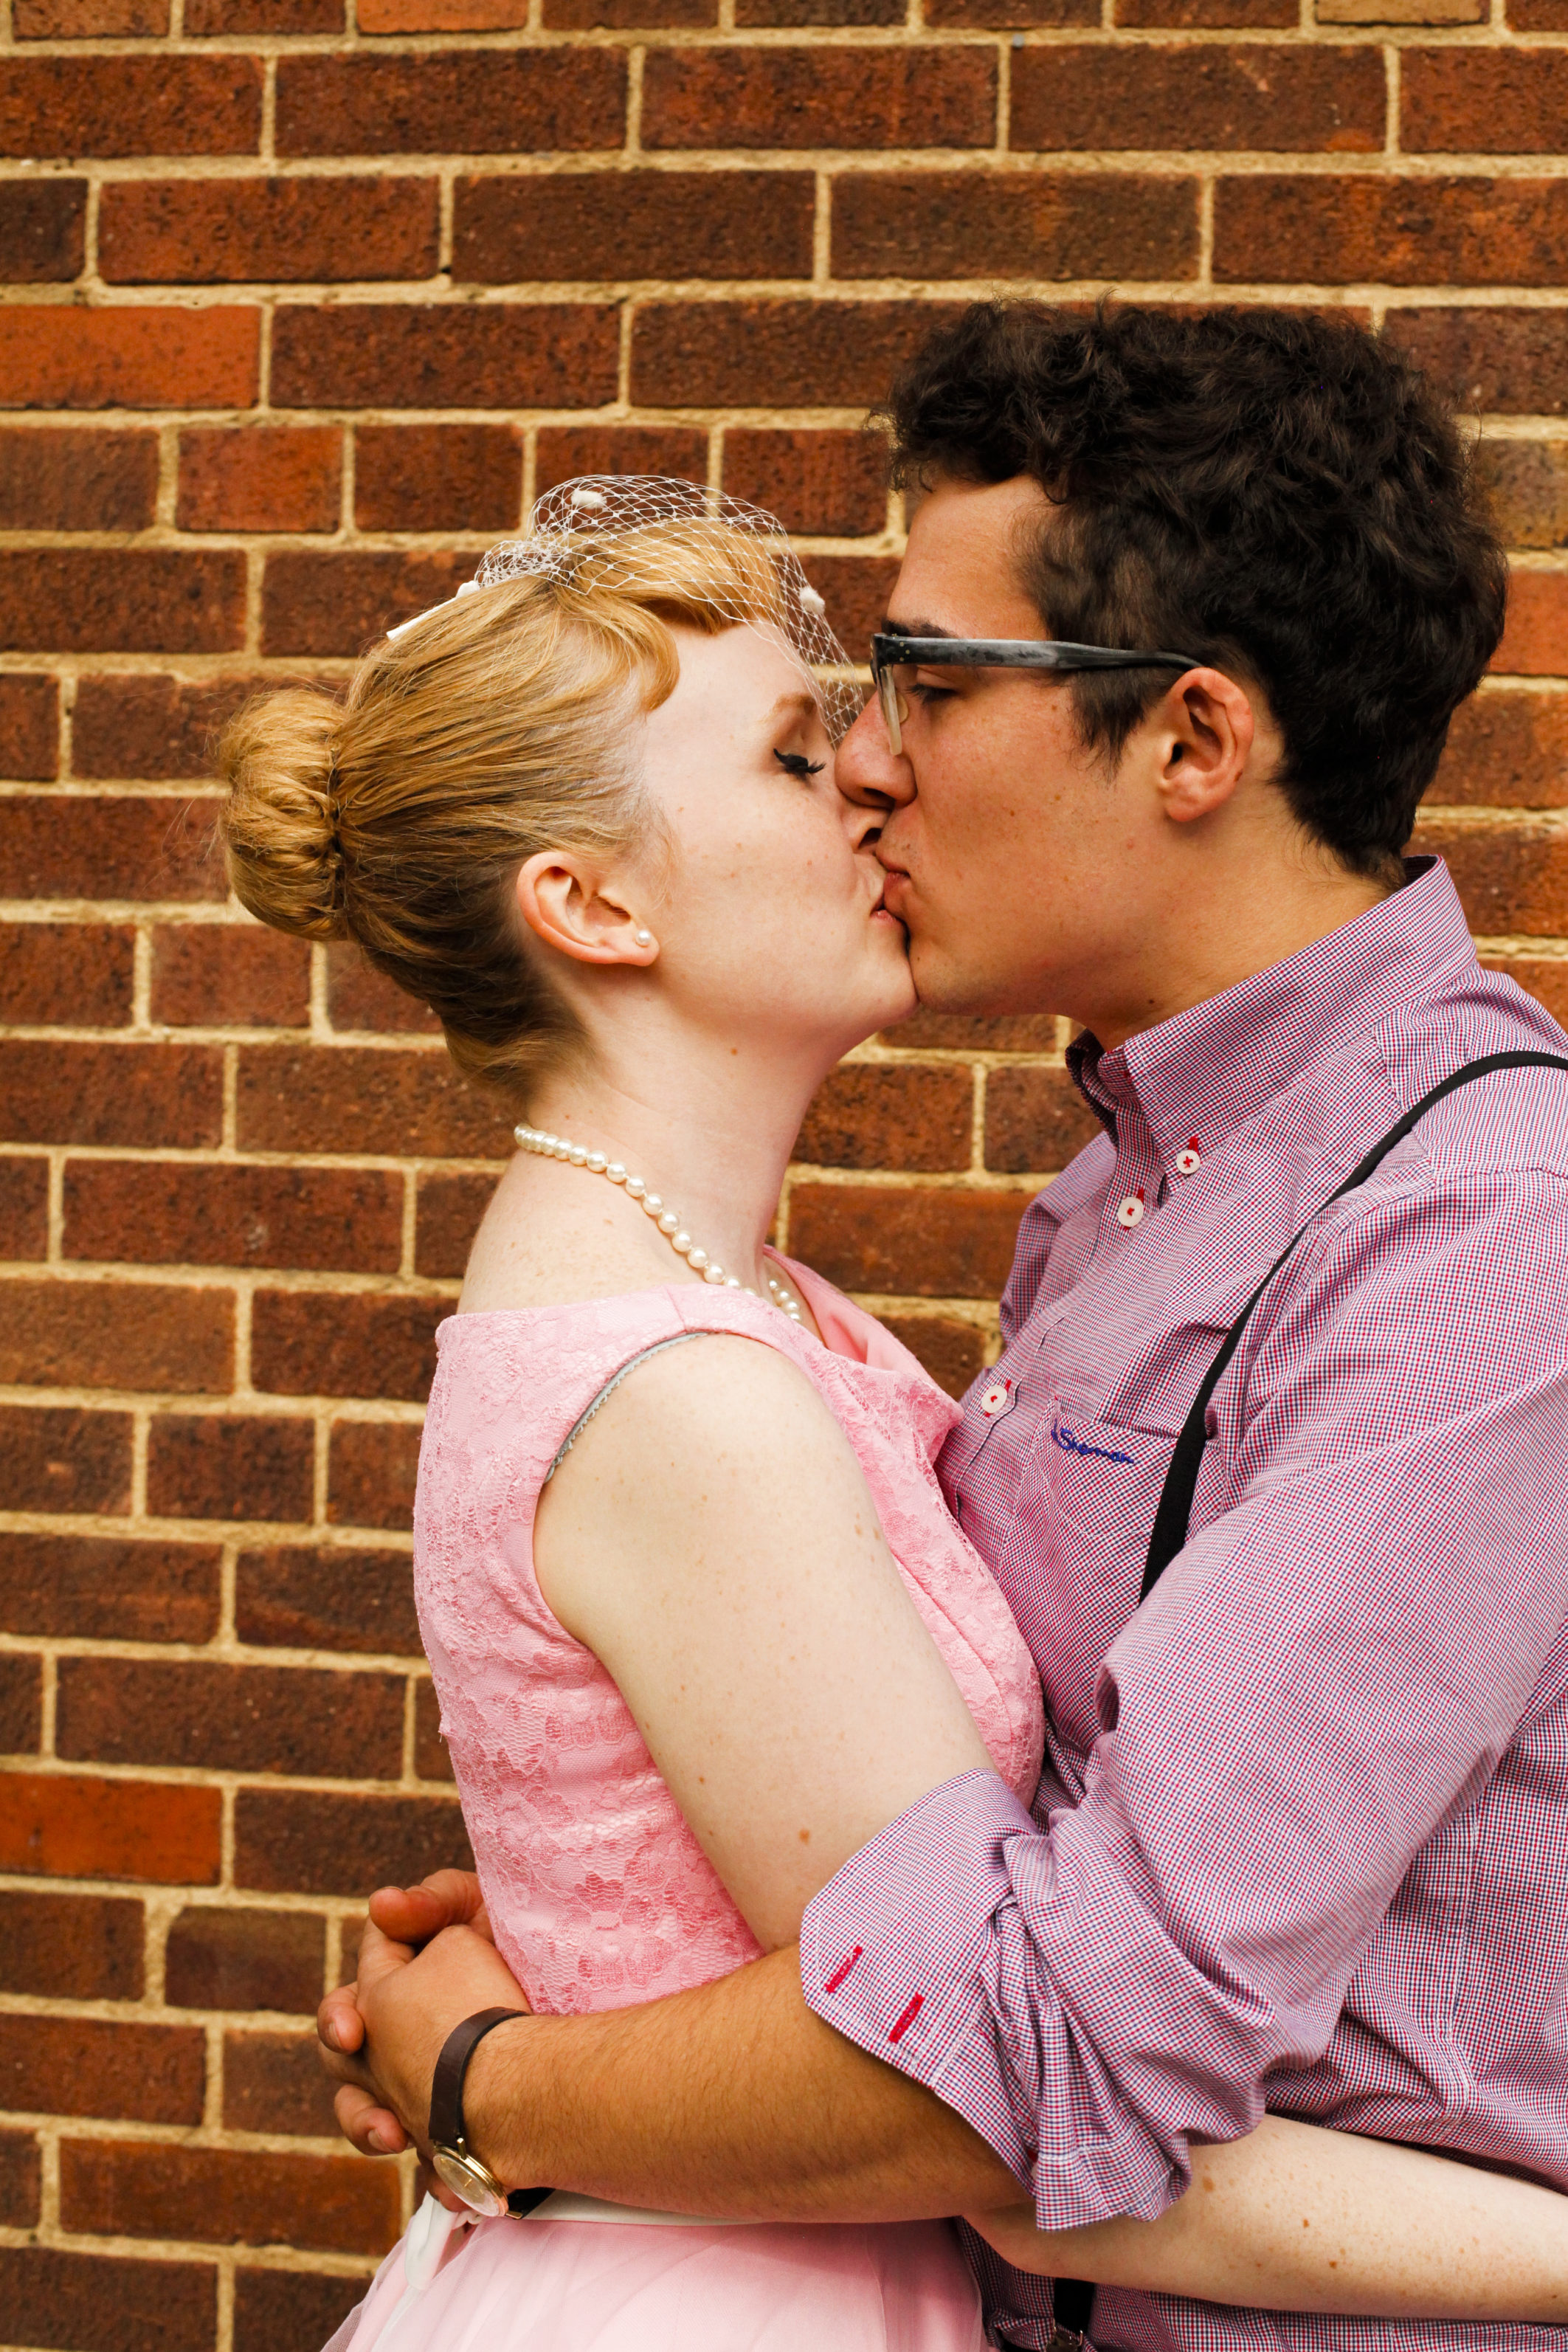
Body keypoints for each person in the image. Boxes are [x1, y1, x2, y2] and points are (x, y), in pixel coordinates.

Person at [314, 306, 1568, 2352]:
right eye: (826, 722)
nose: (876, 758)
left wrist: (507, 2078)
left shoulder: (1482, 1233)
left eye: (921, 681)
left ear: (1189, 742)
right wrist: (646, 1973)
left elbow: (1061, 2037)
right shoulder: (1111, 1196)